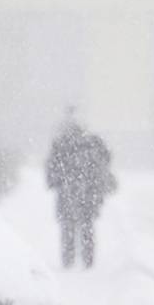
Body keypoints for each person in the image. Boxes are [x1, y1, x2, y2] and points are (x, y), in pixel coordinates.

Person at [45, 110, 116, 269]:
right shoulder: (93, 142)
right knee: (87, 226)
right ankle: (87, 260)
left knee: (68, 227)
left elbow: (51, 168)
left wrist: (55, 181)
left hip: (67, 191)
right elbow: (106, 159)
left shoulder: (61, 144)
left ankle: (68, 260)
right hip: (88, 192)